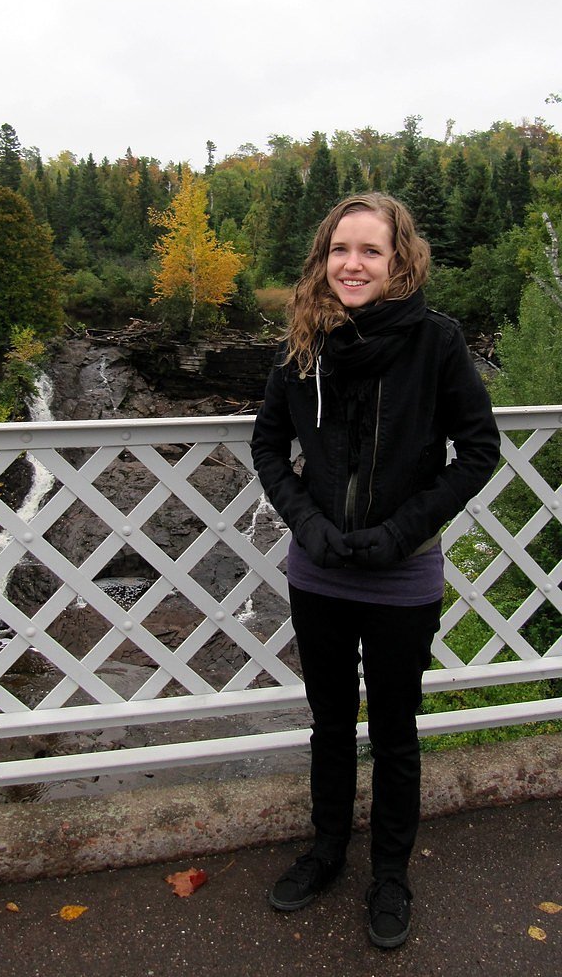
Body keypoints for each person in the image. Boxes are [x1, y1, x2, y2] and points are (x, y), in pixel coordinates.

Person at [251, 193, 500, 949]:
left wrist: (401, 531)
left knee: (394, 730)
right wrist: (310, 523)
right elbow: (268, 446)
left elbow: (479, 448)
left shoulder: (437, 341)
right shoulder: (304, 340)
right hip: (320, 570)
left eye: (369, 250)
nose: (352, 264)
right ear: (323, 259)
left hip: (402, 574)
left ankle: (389, 873)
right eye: (340, 250)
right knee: (330, 722)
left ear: (399, 261)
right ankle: (327, 851)